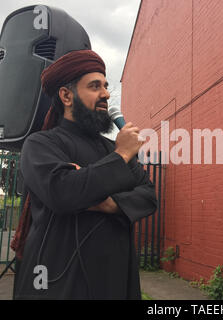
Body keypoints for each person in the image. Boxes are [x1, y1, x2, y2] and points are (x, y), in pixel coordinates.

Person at [13, 50, 157, 300]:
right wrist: (121, 157)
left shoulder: (110, 148)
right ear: (66, 95)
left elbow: (148, 196)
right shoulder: (41, 144)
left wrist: (107, 202)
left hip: (115, 280)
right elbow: (62, 192)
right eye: (95, 86)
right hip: (57, 283)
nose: (106, 94)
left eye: (105, 86)